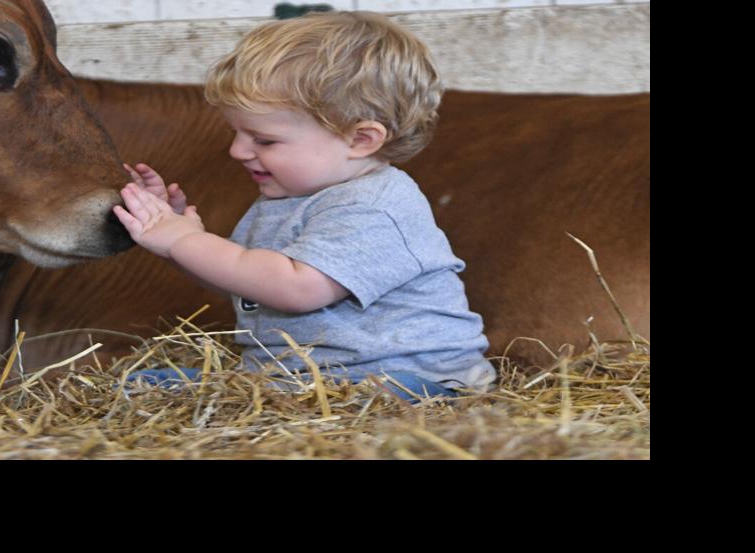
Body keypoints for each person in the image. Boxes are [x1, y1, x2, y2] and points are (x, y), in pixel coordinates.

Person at [113, 11, 496, 401]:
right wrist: (170, 232)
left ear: (360, 140)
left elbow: (296, 288)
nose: (237, 151)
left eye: (264, 140)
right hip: (301, 383)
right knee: (144, 385)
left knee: (370, 400)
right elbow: (242, 280)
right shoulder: (284, 198)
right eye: (236, 133)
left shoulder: (374, 206)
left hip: (409, 380)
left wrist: (183, 240)